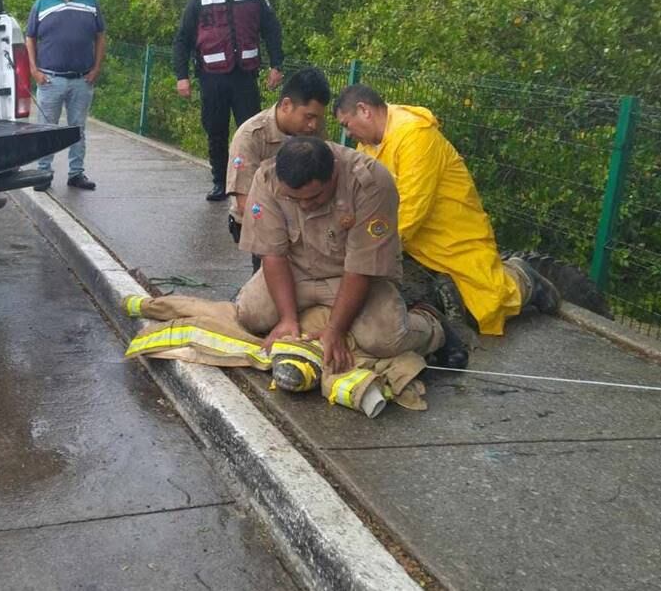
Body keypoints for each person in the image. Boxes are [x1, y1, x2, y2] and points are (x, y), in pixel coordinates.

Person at [333, 85, 560, 336]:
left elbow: (412, 206)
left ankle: (523, 280)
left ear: (364, 110)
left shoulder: (414, 135)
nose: (348, 133)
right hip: (411, 239)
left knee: (485, 307)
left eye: (346, 124)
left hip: (452, 235)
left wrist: (372, 247)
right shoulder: (369, 145)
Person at [237, 137, 468, 372]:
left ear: (334, 172)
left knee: (384, 340)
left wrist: (335, 331)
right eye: (295, 200)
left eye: (314, 197)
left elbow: (361, 266)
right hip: (297, 271)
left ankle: (431, 323)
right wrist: (287, 319)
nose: (305, 206)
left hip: (350, 275)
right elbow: (272, 254)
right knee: (250, 315)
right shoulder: (268, 178)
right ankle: (312, 317)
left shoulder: (371, 183)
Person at [173, 0, 284, 202]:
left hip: (244, 76)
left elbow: (272, 30)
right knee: (216, 130)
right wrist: (182, 76)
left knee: (253, 131)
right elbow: (181, 40)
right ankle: (220, 183)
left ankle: (255, 182)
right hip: (212, 78)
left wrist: (277, 64)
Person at [226, 67, 330, 270]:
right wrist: (289, 227)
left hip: (303, 215)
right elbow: (244, 202)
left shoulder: (314, 130)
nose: (313, 125)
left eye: (317, 118)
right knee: (272, 277)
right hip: (257, 217)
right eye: (308, 117)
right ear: (286, 105)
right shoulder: (251, 136)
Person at [25, 0, 106, 191]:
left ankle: (76, 173)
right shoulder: (42, 3)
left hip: (82, 80)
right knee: (46, 129)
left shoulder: (90, 1)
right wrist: (34, 70)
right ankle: (43, 173)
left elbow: (100, 36)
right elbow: (30, 37)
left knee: (77, 129)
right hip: (50, 80)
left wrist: (96, 69)